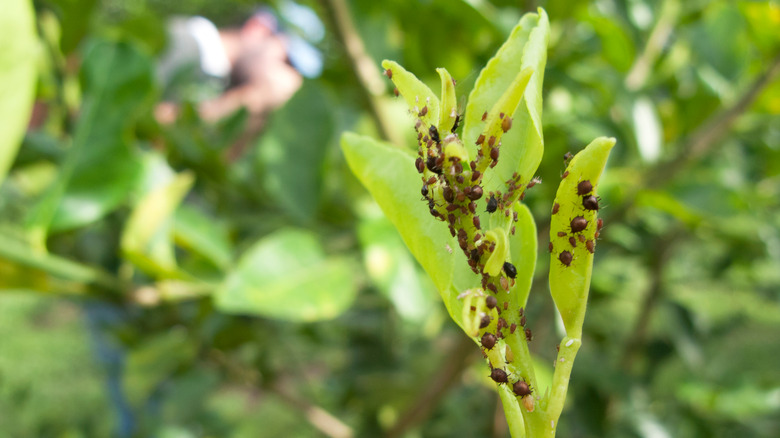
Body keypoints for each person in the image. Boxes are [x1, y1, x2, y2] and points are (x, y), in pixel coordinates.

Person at [155, 10, 313, 125]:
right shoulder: (185, 42)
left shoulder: (222, 84)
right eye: (286, 62)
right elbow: (140, 116)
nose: (286, 79)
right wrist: (246, 100)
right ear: (258, 29)